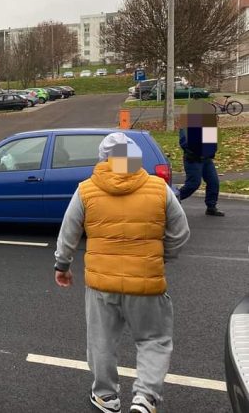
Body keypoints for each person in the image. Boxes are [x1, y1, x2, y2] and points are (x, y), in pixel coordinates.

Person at [54, 133, 189, 413]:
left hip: (102, 285)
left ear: (103, 159)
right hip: (147, 284)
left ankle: (106, 397)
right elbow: (180, 233)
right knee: (154, 340)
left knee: (101, 342)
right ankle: (145, 397)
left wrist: (62, 266)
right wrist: (160, 257)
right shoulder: (158, 189)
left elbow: (68, 232)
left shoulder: (86, 190)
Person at [177, 100, 224, 216]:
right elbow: (185, 143)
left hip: (206, 160)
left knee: (214, 182)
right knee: (193, 184)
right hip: (193, 160)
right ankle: (173, 200)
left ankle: (211, 207)